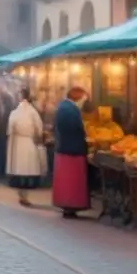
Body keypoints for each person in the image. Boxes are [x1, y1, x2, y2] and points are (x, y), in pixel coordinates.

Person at [53, 86, 90, 217]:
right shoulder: (70, 110)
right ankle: (70, 207)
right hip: (72, 150)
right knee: (72, 183)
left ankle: (68, 207)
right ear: (77, 97)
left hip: (65, 149)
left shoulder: (63, 107)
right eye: (83, 99)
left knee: (66, 182)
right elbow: (76, 129)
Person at [7, 88, 44, 205]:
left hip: (17, 143)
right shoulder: (33, 112)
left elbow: (10, 130)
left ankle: (21, 194)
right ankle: (25, 195)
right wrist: (38, 137)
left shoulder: (14, 113)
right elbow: (39, 128)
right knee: (28, 169)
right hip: (29, 142)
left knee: (19, 169)